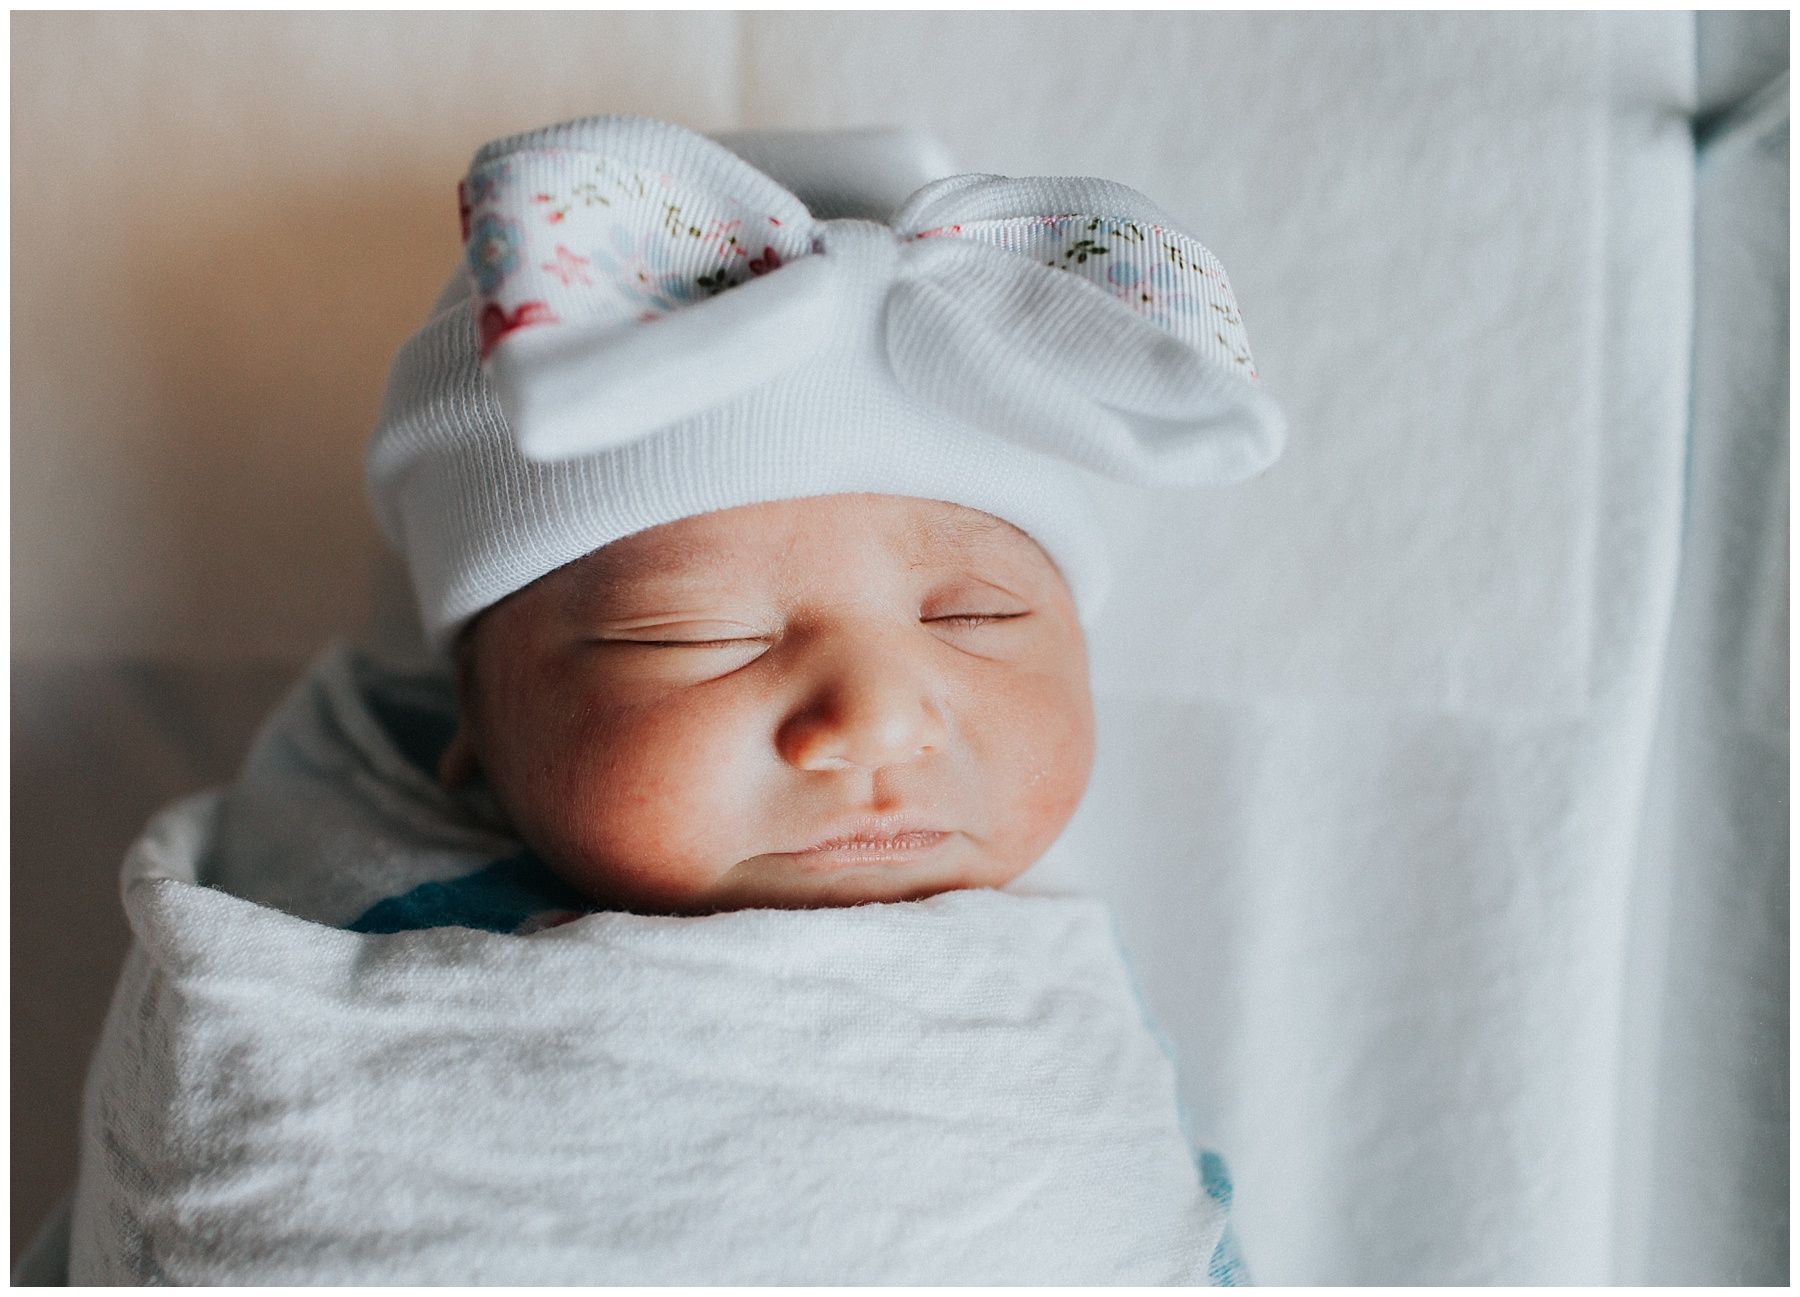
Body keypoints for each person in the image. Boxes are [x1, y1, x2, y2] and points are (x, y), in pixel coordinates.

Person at [67, 112, 1283, 1284]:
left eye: (976, 616)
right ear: (471, 741)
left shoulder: (1057, 1031)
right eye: (692, 633)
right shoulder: (322, 963)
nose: (872, 715)